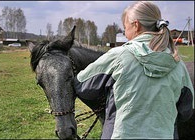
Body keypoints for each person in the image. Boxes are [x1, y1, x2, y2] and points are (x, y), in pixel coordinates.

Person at [74, 1, 194, 139]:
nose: (125, 33)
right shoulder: (178, 63)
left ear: (136, 25)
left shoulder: (117, 56)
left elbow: (82, 86)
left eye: (125, 27)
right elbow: (186, 110)